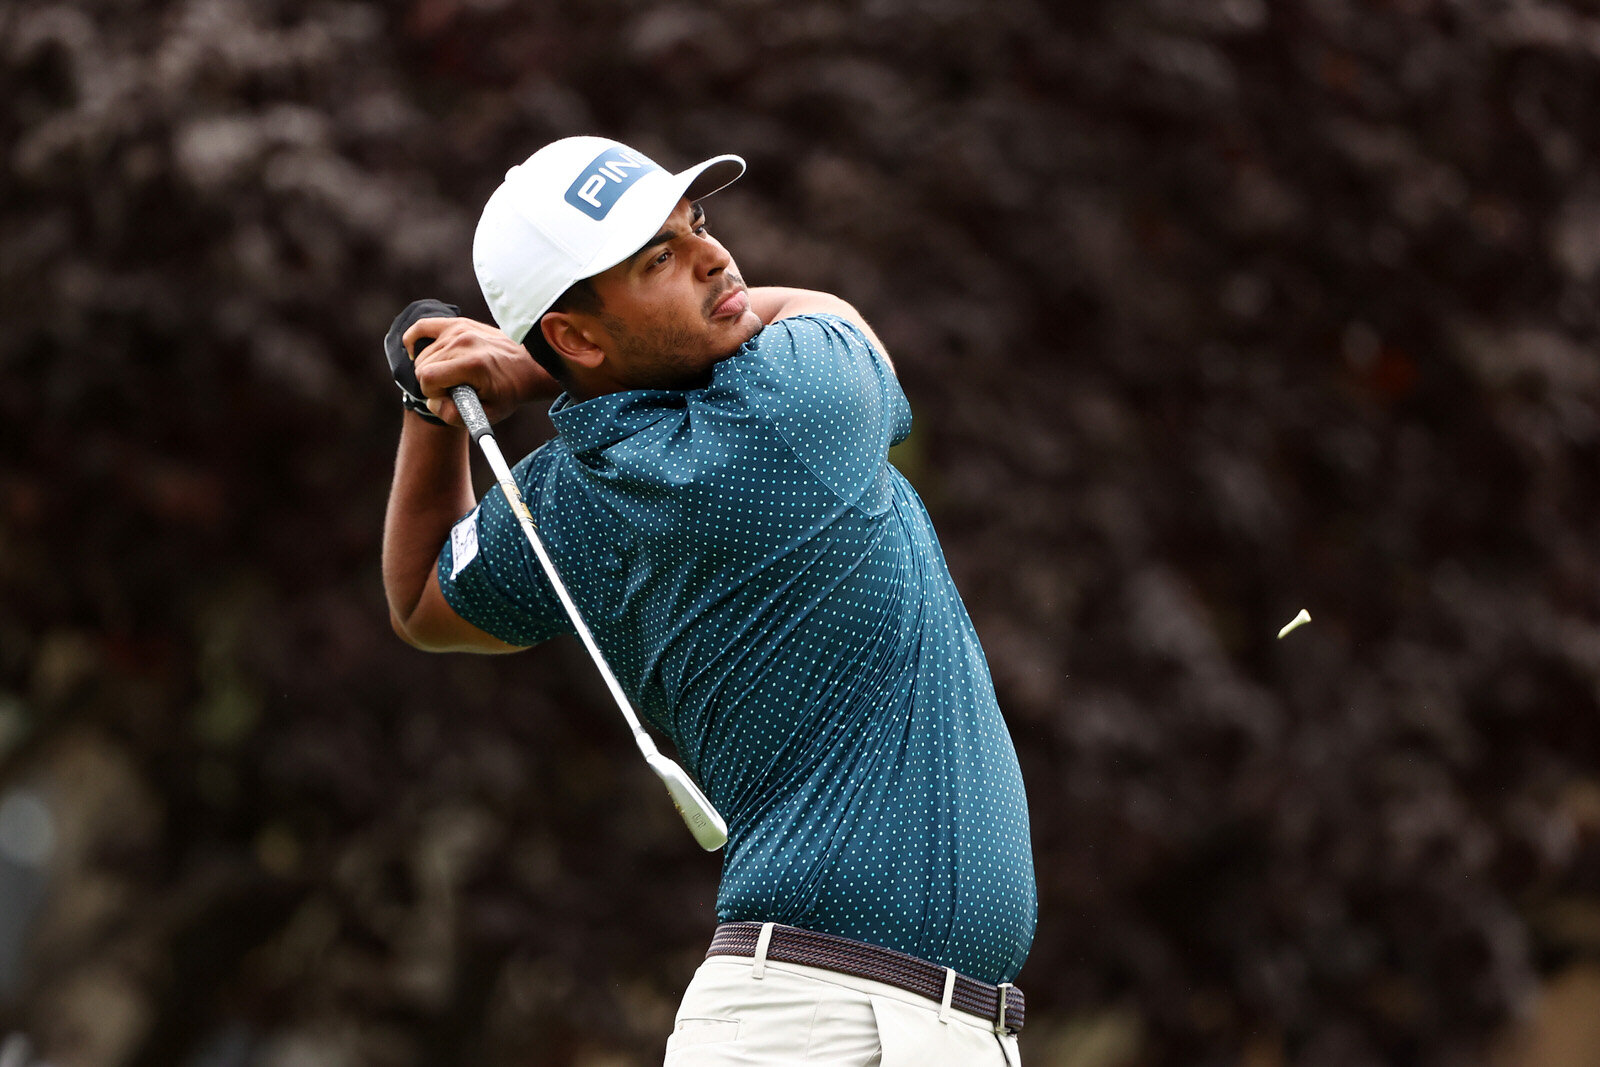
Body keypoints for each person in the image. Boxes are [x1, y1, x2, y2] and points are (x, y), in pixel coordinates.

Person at [381, 135, 1036, 1065]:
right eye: (661, 259)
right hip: (822, 1024)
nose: (715, 259)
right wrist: (535, 378)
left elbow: (419, 599)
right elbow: (826, 308)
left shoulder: (566, 501)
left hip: (883, 1020)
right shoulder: (798, 400)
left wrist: (432, 414)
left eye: (697, 228)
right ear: (574, 333)